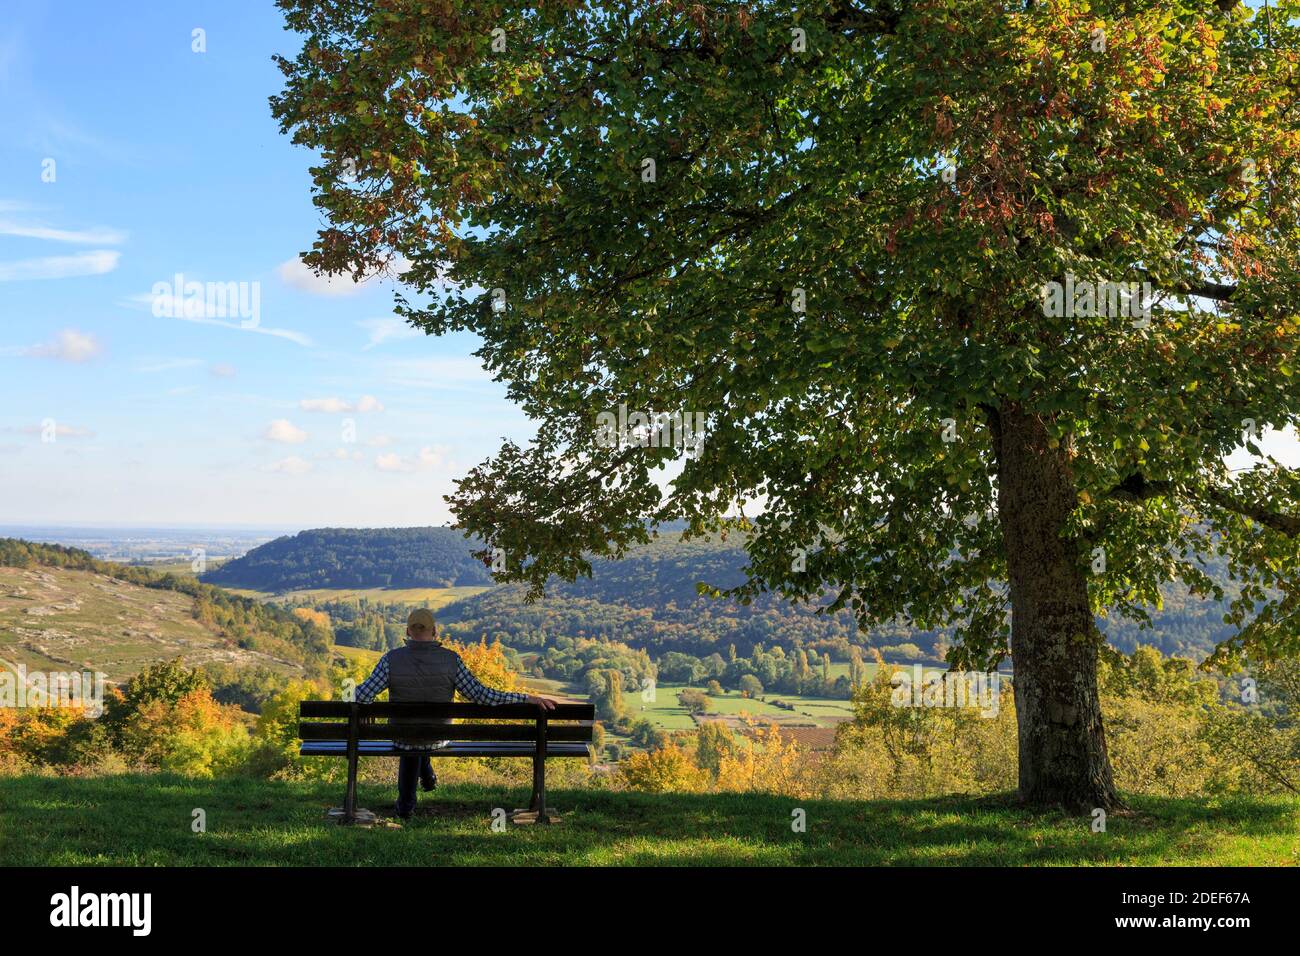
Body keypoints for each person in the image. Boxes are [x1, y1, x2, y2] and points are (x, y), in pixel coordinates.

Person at [354, 607, 555, 819]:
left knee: (410, 740)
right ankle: (426, 779)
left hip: (402, 736)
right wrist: (525, 698)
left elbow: (362, 695)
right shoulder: (451, 660)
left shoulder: (390, 660)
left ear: (407, 631)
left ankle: (405, 806)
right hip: (439, 737)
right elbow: (481, 695)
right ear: (435, 631)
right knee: (422, 737)